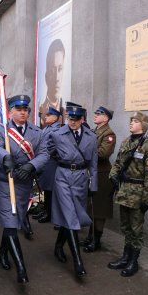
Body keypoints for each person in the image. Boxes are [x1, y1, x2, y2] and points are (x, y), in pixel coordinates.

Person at [0, 95, 48, 284]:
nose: (23, 112)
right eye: (19, 109)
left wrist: (31, 166)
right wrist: (5, 158)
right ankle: (21, 268)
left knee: (13, 222)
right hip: (5, 182)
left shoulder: (36, 132)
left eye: (26, 110)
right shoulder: (2, 129)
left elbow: (44, 153)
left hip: (24, 184)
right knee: (11, 221)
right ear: (11, 111)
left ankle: (2, 251)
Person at [47, 105, 98, 277]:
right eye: (70, 119)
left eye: (76, 120)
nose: (73, 123)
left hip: (82, 179)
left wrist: (94, 185)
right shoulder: (57, 134)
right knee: (70, 216)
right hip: (63, 177)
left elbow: (94, 164)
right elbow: (49, 150)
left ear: (82, 120)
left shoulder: (92, 137)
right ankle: (78, 262)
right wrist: (63, 161)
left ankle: (59, 246)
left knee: (72, 216)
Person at [108, 111, 148, 277]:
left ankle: (134, 261)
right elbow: (119, 161)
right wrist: (113, 175)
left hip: (138, 193)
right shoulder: (127, 141)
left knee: (136, 229)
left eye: (135, 121)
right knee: (126, 227)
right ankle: (125, 257)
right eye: (131, 120)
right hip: (124, 190)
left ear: (144, 125)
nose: (131, 123)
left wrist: (147, 199)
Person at [81, 106, 116, 252]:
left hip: (102, 174)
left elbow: (102, 154)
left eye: (99, 114)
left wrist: (83, 150)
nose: (95, 115)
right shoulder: (95, 131)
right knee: (92, 207)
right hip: (93, 172)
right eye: (95, 113)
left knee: (100, 209)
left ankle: (96, 241)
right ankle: (90, 237)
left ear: (106, 118)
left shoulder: (109, 134)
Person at [35, 107, 62, 224]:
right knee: (46, 188)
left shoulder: (57, 129)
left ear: (55, 117)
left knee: (50, 189)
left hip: (52, 161)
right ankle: (46, 210)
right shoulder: (47, 128)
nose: (45, 117)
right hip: (45, 161)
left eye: (48, 115)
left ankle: (50, 214)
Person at [38, 39, 65, 126]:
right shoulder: (42, 108)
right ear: (46, 76)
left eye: (60, 69)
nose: (57, 77)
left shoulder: (65, 110)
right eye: (53, 70)